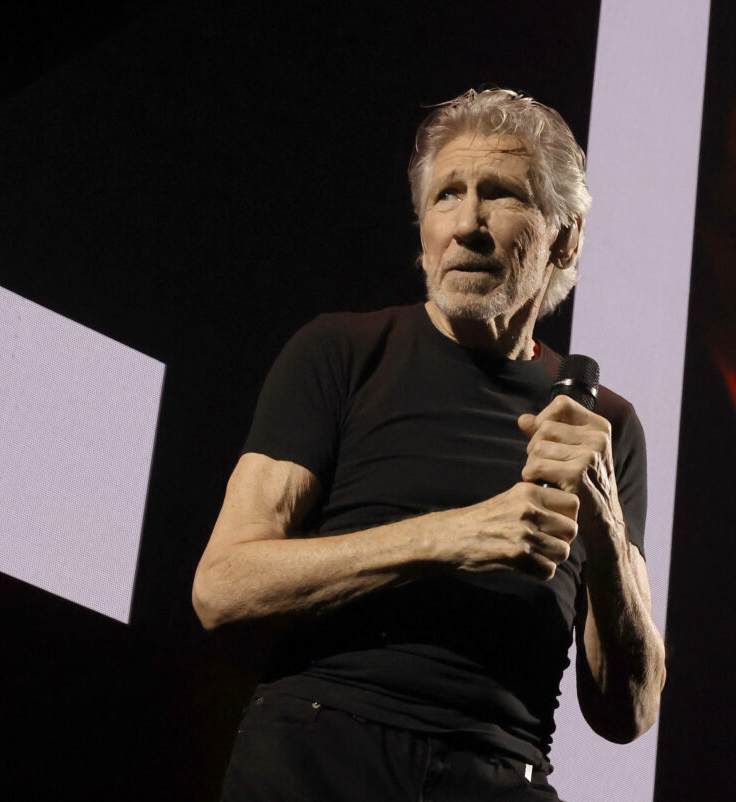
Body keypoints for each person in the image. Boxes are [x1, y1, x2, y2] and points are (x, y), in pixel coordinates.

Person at [191, 88, 666, 801]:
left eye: (501, 195)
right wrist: (453, 537)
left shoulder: (607, 427)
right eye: (447, 195)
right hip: (319, 753)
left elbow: (629, 712)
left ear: (565, 237)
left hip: (501, 775)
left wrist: (602, 524)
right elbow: (221, 588)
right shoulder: (342, 354)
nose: (467, 225)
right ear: (421, 233)